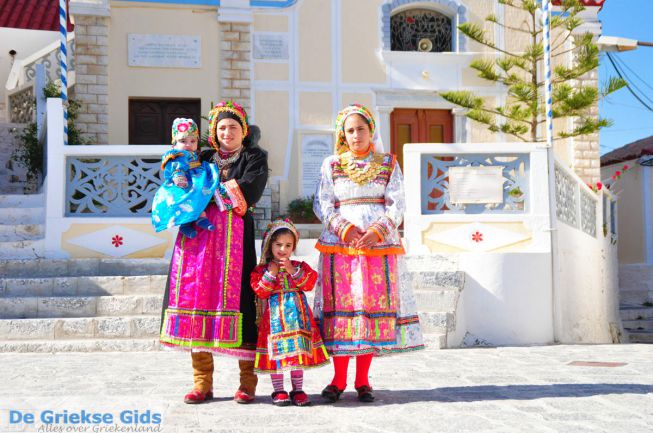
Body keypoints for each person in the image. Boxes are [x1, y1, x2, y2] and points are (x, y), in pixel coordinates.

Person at [313, 104, 425, 403]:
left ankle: (362, 380)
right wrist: (343, 228)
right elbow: (322, 202)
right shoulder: (331, 164)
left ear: (371, 130)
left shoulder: (388, 163)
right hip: (341, 247)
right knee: (342, 313)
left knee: (369, 311)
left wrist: (377, 230)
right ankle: (337, 380)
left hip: (377, 247)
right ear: (342, 135)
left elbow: (397, 203)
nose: (356, 135)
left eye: (361, 128)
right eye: (349, 130)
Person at [159, 101, 269, 405]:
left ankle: (247, 382)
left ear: (243, 131)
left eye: (233, 127)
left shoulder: (254, 157)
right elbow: (177, 176)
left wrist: (204, 193)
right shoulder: (202, 156)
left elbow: (249, 191)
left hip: (234, 245)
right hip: (199, 243)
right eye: (221, 127)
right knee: (196, 299)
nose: (227, 132)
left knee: (242, 305)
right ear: (213, 132)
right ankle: (202, 382)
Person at [250, 219, 329, 407]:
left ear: (294, 246)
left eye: (288, 245)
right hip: (274, 322)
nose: (283, 249)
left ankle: (298, 389)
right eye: (278, 244)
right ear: (270, 245)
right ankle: (278, 390)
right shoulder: (261, 270)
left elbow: (309, 284)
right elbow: (260, 291)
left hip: (298, 320)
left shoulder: (300, 267)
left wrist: (292, 270)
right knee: (277, 356)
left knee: (297, 353)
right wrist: (271, 273)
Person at [151, 118, 218, 238]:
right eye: (183, 141)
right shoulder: (177, 154)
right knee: (186, 200)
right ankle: (185, 225)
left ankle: (200, 218)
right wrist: (178, 175)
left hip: (196, 178)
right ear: (174, 144)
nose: (188, 144)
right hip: (185, 181)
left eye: (193, 141)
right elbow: (174, 166)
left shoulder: (196, 154)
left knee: (199, 197)